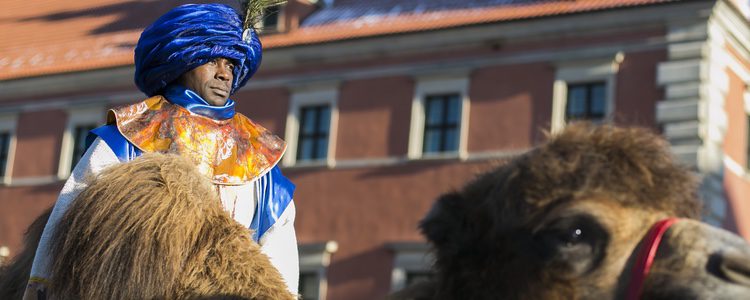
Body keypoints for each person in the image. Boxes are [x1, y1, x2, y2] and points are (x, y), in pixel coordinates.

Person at [24, 3, 299, 298]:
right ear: (183, 63)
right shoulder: (131, 132)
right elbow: (73, 205)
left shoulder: (257, 153)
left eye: (231, 65)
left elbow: (277, 238)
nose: (224, 74)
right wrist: (42, 284)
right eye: (212, 62)